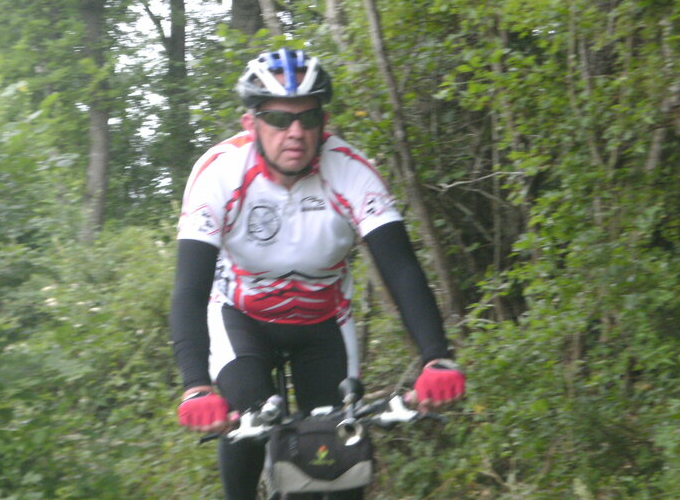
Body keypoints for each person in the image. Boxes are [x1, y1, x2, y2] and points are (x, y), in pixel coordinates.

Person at [169, 48, 464, 500]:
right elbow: (190, 289)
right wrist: (195, 386)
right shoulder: (219, 174)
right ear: (251, 124)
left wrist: (436, 357)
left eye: (307, 118)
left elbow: (401, 268)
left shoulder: (350, 171)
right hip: (241, 317)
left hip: (323, 322)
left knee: (341, 454)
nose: (295, 132)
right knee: (246, 425)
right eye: (278, 118)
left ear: (323, 122)